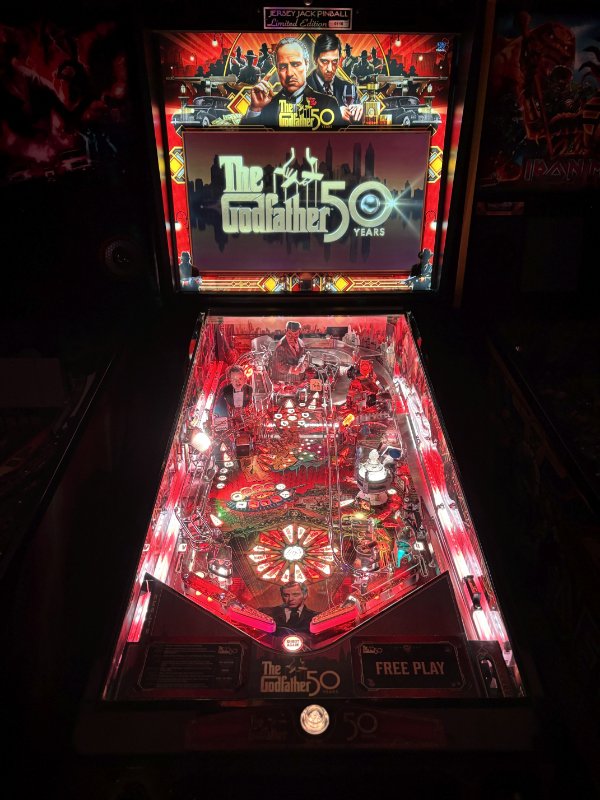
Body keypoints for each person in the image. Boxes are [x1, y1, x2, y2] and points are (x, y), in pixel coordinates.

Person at [241, 37, 343, 129]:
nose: (289, 73)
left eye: (295, 64)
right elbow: (247, 140)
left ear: (306, 65)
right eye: (283, 66)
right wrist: (255, 109)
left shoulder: (328, 104)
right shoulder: (265, 106)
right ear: (277, 69)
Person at [306, 33, 363, 122]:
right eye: (324, 61)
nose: (330, 69)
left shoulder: (349, 88)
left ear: (339, 59)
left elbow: (356, 124)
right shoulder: (302, 87)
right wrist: (335, 112)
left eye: (334, 62)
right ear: (315, 59)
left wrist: (360, 110)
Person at [271, 320, 307, 384]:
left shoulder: (301, 342)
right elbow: (280, 366)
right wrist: (293, 369)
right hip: (283, 380)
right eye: (290, 334)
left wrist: (303, 365)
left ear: (299, 332)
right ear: (286, 331)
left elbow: (303, 355)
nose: (292, 338)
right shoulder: (281, 346)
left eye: (295, 334)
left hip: (297, 379)